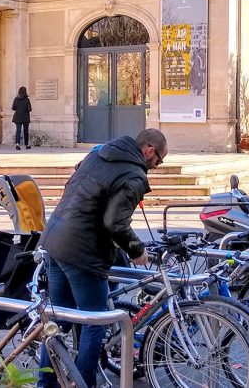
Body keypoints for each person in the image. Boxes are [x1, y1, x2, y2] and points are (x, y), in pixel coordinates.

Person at [38, 128, 167, 388]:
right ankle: (85, 383)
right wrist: (136, 250)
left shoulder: (98, 153)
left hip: (54, 240)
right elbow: (114, 222)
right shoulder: (134, 174)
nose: (156, 166)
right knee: (96, 321)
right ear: (149, 150)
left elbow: (75, 188)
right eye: (159, 161)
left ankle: (46, 383)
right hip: (83, 252)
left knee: (59, 319)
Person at [11, 86, 32, 150]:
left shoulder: (16, 99)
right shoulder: (27, 100)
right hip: (25, 117)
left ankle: (17, 144)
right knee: (26, 131)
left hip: (18, 116)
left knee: (18, 130)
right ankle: (27, 144)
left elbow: (13, 108)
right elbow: (29, 109)